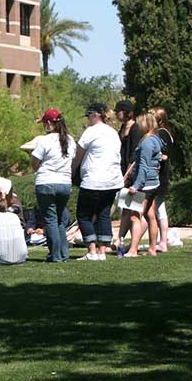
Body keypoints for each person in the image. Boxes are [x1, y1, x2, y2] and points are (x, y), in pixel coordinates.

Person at [74, 103, 123, 260]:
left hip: (93, 180)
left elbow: (78, 155)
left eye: (88, 116)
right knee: (103, 214)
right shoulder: (113, 132)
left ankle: (92, 250)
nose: (88, 119)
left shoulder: (91, 132)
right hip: (113, 181)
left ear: (94, 115)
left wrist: (71, 171)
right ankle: (102, 251)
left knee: (84, 215)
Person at [29, 108, 75, 262]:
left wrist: (38, 167)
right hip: (64, 184)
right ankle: (64, 253)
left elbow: (34, 162)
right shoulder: (70, 140)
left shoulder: (44, 140)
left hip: (46, 183)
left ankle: (55, 255)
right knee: (60, 220)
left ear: (49, 123)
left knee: (50, 219)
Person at [126, 113, 165, 257]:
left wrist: (136, 185)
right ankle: (152, 249)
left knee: (135, 217)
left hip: (145, 184)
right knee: (151, 216)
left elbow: (143, 165)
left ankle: (133, 250)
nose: (137, 127)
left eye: (139, 124)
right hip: (154, 183)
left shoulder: (147, 142)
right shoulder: (156, 139)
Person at [114, 99, 147, 258]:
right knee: (125, 209)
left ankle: (133, 247)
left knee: (135, 212)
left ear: (126, 111)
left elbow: (135, 155)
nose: (116, 114)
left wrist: (127, 174)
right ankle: (119, 241)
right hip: (122, 172)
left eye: (118, 111)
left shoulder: (135, 128)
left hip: (132, 174)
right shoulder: (122, 127)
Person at [151, 106, 175, 253]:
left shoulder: (161, 133)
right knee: (160, 208)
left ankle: (161, 241)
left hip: (159, 176)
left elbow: (164, 155)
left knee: (156, 209)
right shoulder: (166, 133)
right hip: (161, 176)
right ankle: (162, 241)